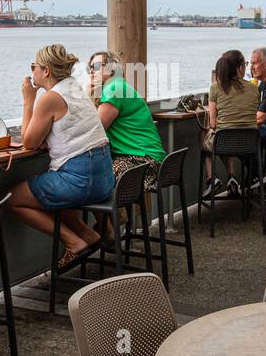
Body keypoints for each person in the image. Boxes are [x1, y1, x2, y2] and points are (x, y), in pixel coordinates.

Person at [9, 45, 115, 270]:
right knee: (52, 188)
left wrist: (28, 100)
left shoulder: (50, 98)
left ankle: (73, 242)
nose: (32, 71)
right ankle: (89, 234)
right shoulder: (74, 88)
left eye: (33, 67)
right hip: (103, 178)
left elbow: (29, 142)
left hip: (82, 181)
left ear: (46, 71)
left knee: (15, 198)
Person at [87, 49, 166, 187]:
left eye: (97, 66)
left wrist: (88, 93)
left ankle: (109, 209)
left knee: (89, 182)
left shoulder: (114, 89)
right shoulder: (120, 86)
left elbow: (94, 131)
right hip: (151, 159)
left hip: (141, 162)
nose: (92, 71)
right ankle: (114, 209)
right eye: (90, 68)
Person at [202, 49, 259, 196]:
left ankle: (211, 178)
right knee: (226, 134)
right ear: (240, 68)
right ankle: (231, 178)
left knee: (206, 136)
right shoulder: (254, 88)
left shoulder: (215, 87)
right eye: (245, 64)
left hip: (224, 143)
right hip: (250, 143)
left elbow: (213, 123)